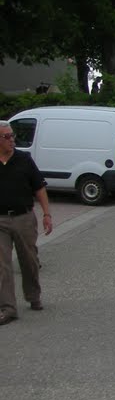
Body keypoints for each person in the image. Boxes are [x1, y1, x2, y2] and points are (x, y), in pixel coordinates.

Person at [0, 121, 53, 324]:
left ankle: (33, 296)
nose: (12, 140)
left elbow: (39, 187)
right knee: (2, 265)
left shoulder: (24, 159)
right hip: (1, 220)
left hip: (24, 218)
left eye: (12, 135)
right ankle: (8, 308)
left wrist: (47, 215)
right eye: (7, 136)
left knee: (29, 260)